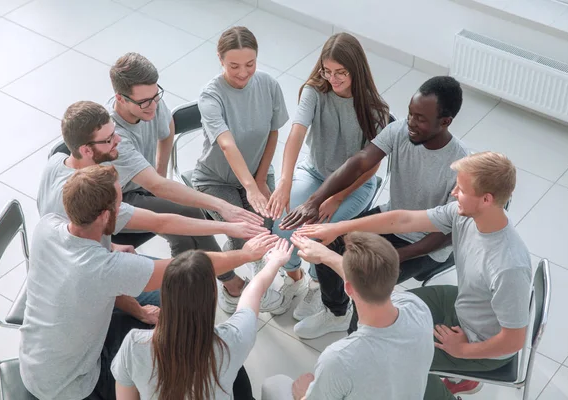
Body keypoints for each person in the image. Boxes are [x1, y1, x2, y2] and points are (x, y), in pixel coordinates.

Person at [20, 165, 278, 400]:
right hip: (71, 385)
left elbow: (162, 220)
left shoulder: (48, 225)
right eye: (119, 205)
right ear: (102, 216)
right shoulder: (103, 270)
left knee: (170, 308)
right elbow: (188, 269)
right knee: (196, 355)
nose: (122, 209)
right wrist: (246, 254)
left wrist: (228, 227)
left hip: (37, 358)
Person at [298, 152, 531, 399]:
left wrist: (461, 349)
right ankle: (363, 356)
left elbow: (513, 341)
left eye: (461, 189)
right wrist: (338, 228)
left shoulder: (508, 266)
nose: (453, 193)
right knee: (382, 306)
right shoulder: (466, 216)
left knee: (398, 360)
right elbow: (403, 219)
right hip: (463, 303)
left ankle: (457, 382)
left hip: (482, 344)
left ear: (486, 199)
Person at [38, 100, 269, 324]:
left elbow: (162, 222)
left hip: (80, 264)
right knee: (180, 295)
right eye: (109, 139)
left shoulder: (58, 163)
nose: (118, 140)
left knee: (184, 271)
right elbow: (104, 278)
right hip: (85, 289)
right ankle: (212, 301)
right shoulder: (94, 202)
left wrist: (228, 225)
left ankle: (222, 288)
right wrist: (140, 312)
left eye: (114, 133)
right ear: (86, 150)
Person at [283, 76, 468, 339]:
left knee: (367, 281)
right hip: (390, 220)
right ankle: (336, 313)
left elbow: (448, 234)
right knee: (327, 240)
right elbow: (359, 162)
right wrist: (314, 202)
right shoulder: (401, 130)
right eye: (410, 114)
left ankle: (357, 337)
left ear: (445, 121)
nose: (411, 124)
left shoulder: (460, 165)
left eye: (421, 119)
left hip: (427, 243)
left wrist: (397, 257)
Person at [107, 52, 279, 311]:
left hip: (145, 183)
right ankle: (228, 282)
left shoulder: (149, 100)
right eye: (145, 103)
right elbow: (157, 187)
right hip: (118, 200)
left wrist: (160, 170)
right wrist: (222, 207)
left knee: (185, 236)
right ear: (120, 98)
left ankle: (208, 288)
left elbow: (167, 131)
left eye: (156, 97)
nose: (153, 106)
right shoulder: (117, 136)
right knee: (188, 215)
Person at [267, 32, 391, 318]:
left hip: (352, 186)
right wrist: (285, 181)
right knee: (283, 224)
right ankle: (294, 279)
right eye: (327, 71)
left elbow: (371, 166)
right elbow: (296, 133)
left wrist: (338, 196)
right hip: (314, 172)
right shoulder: (314, 91)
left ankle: (315, 284)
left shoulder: (375, 110)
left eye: (341, 73)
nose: (333, 79)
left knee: (318, 234)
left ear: (356, 70)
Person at [111, 239, 294, 400]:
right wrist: (274, 262)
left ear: (164, 294)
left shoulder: (133, 345)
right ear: (213, 296)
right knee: (279, 384)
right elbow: (254, 291)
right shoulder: (231, 340)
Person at [261, 232, 434, 400]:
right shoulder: (417, 306)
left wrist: (303, 394)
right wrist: (326, 255)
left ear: (348, 289)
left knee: (275, 385)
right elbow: (372, 281)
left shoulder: (339, 358)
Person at [191, 26, 289, 313]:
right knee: (242, 234)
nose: (243, 73)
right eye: (234, 66)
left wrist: (260, 179)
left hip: (256, 170)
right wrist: (249, 188)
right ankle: (231, 283)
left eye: (250, 64)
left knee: (267, 227)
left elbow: (273, 132)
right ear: (220, 60)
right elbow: (227, 145)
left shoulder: (269, 85)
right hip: (216, 179)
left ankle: (258, 276)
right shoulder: (211, 96)